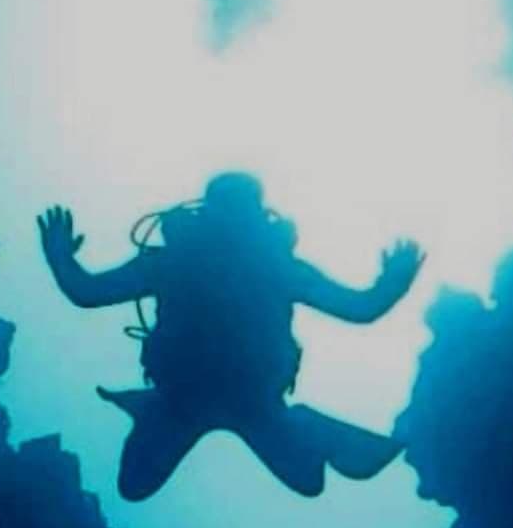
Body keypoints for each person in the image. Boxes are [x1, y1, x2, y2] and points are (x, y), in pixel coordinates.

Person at [37, 172, 425, 501]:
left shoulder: (177, 262)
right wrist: (392, 284)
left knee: (307, 483)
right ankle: (296, 424)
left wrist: (61, 258)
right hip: (213, 399)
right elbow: (361, 309)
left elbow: (86, 292)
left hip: (214, 399)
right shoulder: (268, 266)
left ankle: (154, 408)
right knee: (134, 488)